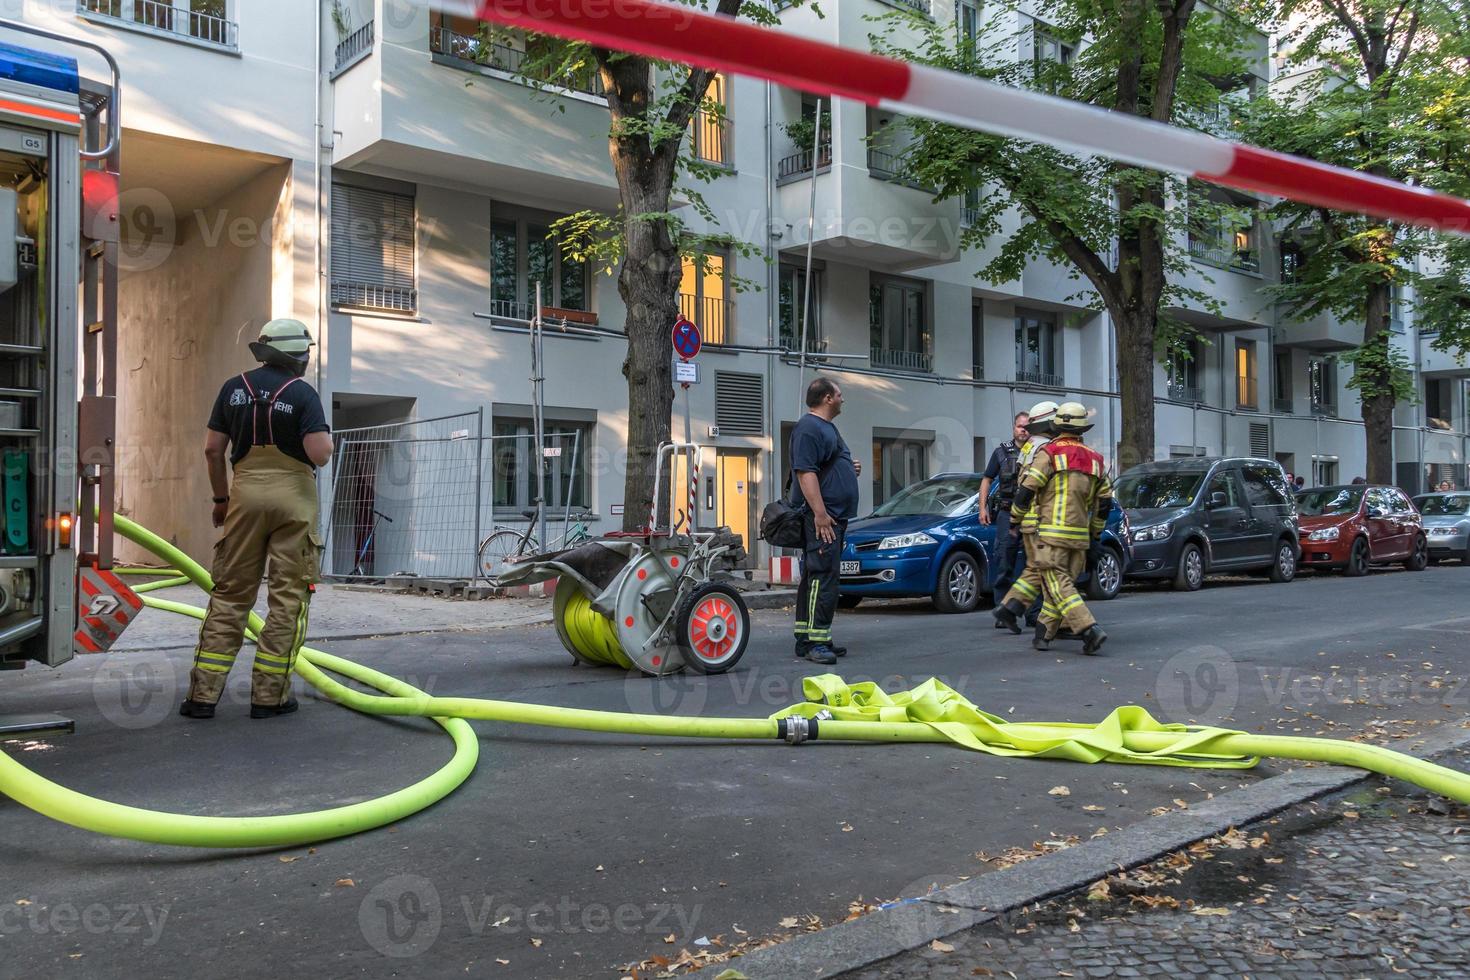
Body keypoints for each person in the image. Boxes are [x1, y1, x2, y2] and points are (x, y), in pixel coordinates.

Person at [179, 319, 335, 720]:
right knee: (287, 599)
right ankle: (270, 698)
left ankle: (202, 697)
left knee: (230, 595)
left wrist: (220, 499)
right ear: (298, 356)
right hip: (294, 500)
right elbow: (319, 453)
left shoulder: (233, 389)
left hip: (244, 497)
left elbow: (213, 451)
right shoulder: (303, 393)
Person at [993, 402, 1111, 656]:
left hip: (1049, 533)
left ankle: (1089, 629)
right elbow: (1104, 503)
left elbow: (1026, 489)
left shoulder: (1050, 452)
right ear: (1082, 429)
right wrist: (1095, 535)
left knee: (1058, 586)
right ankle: (1042, 633)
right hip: (1079, 538)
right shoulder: (1096, 460)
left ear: (1057, 425)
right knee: (1055, 584)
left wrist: (1015, 519)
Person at [789, 376, 861, 665]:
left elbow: (824, 466)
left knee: (817, 576)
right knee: (823, 577)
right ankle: (816, 642)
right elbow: (805, 472)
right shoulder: (808, 428)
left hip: (832, 516)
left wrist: (848, 467)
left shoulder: (826, 428)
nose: (843, 399)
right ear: (828, 398)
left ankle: (808, 636)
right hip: (824, 518)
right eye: (840, 394)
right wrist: (820, 513)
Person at [979, 411, 1030, 596]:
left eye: (1026, 427)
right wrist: (982, 508)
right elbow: (986, 480)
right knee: (1003, 561)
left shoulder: (1039, 451)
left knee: (1031, 564)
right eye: (1020, 426)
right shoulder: (1001, 452)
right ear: (1014, 428)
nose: (1023, 430)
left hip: (1031, 515)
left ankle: (1033, 613)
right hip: (1007, 514)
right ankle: (1002, 609)